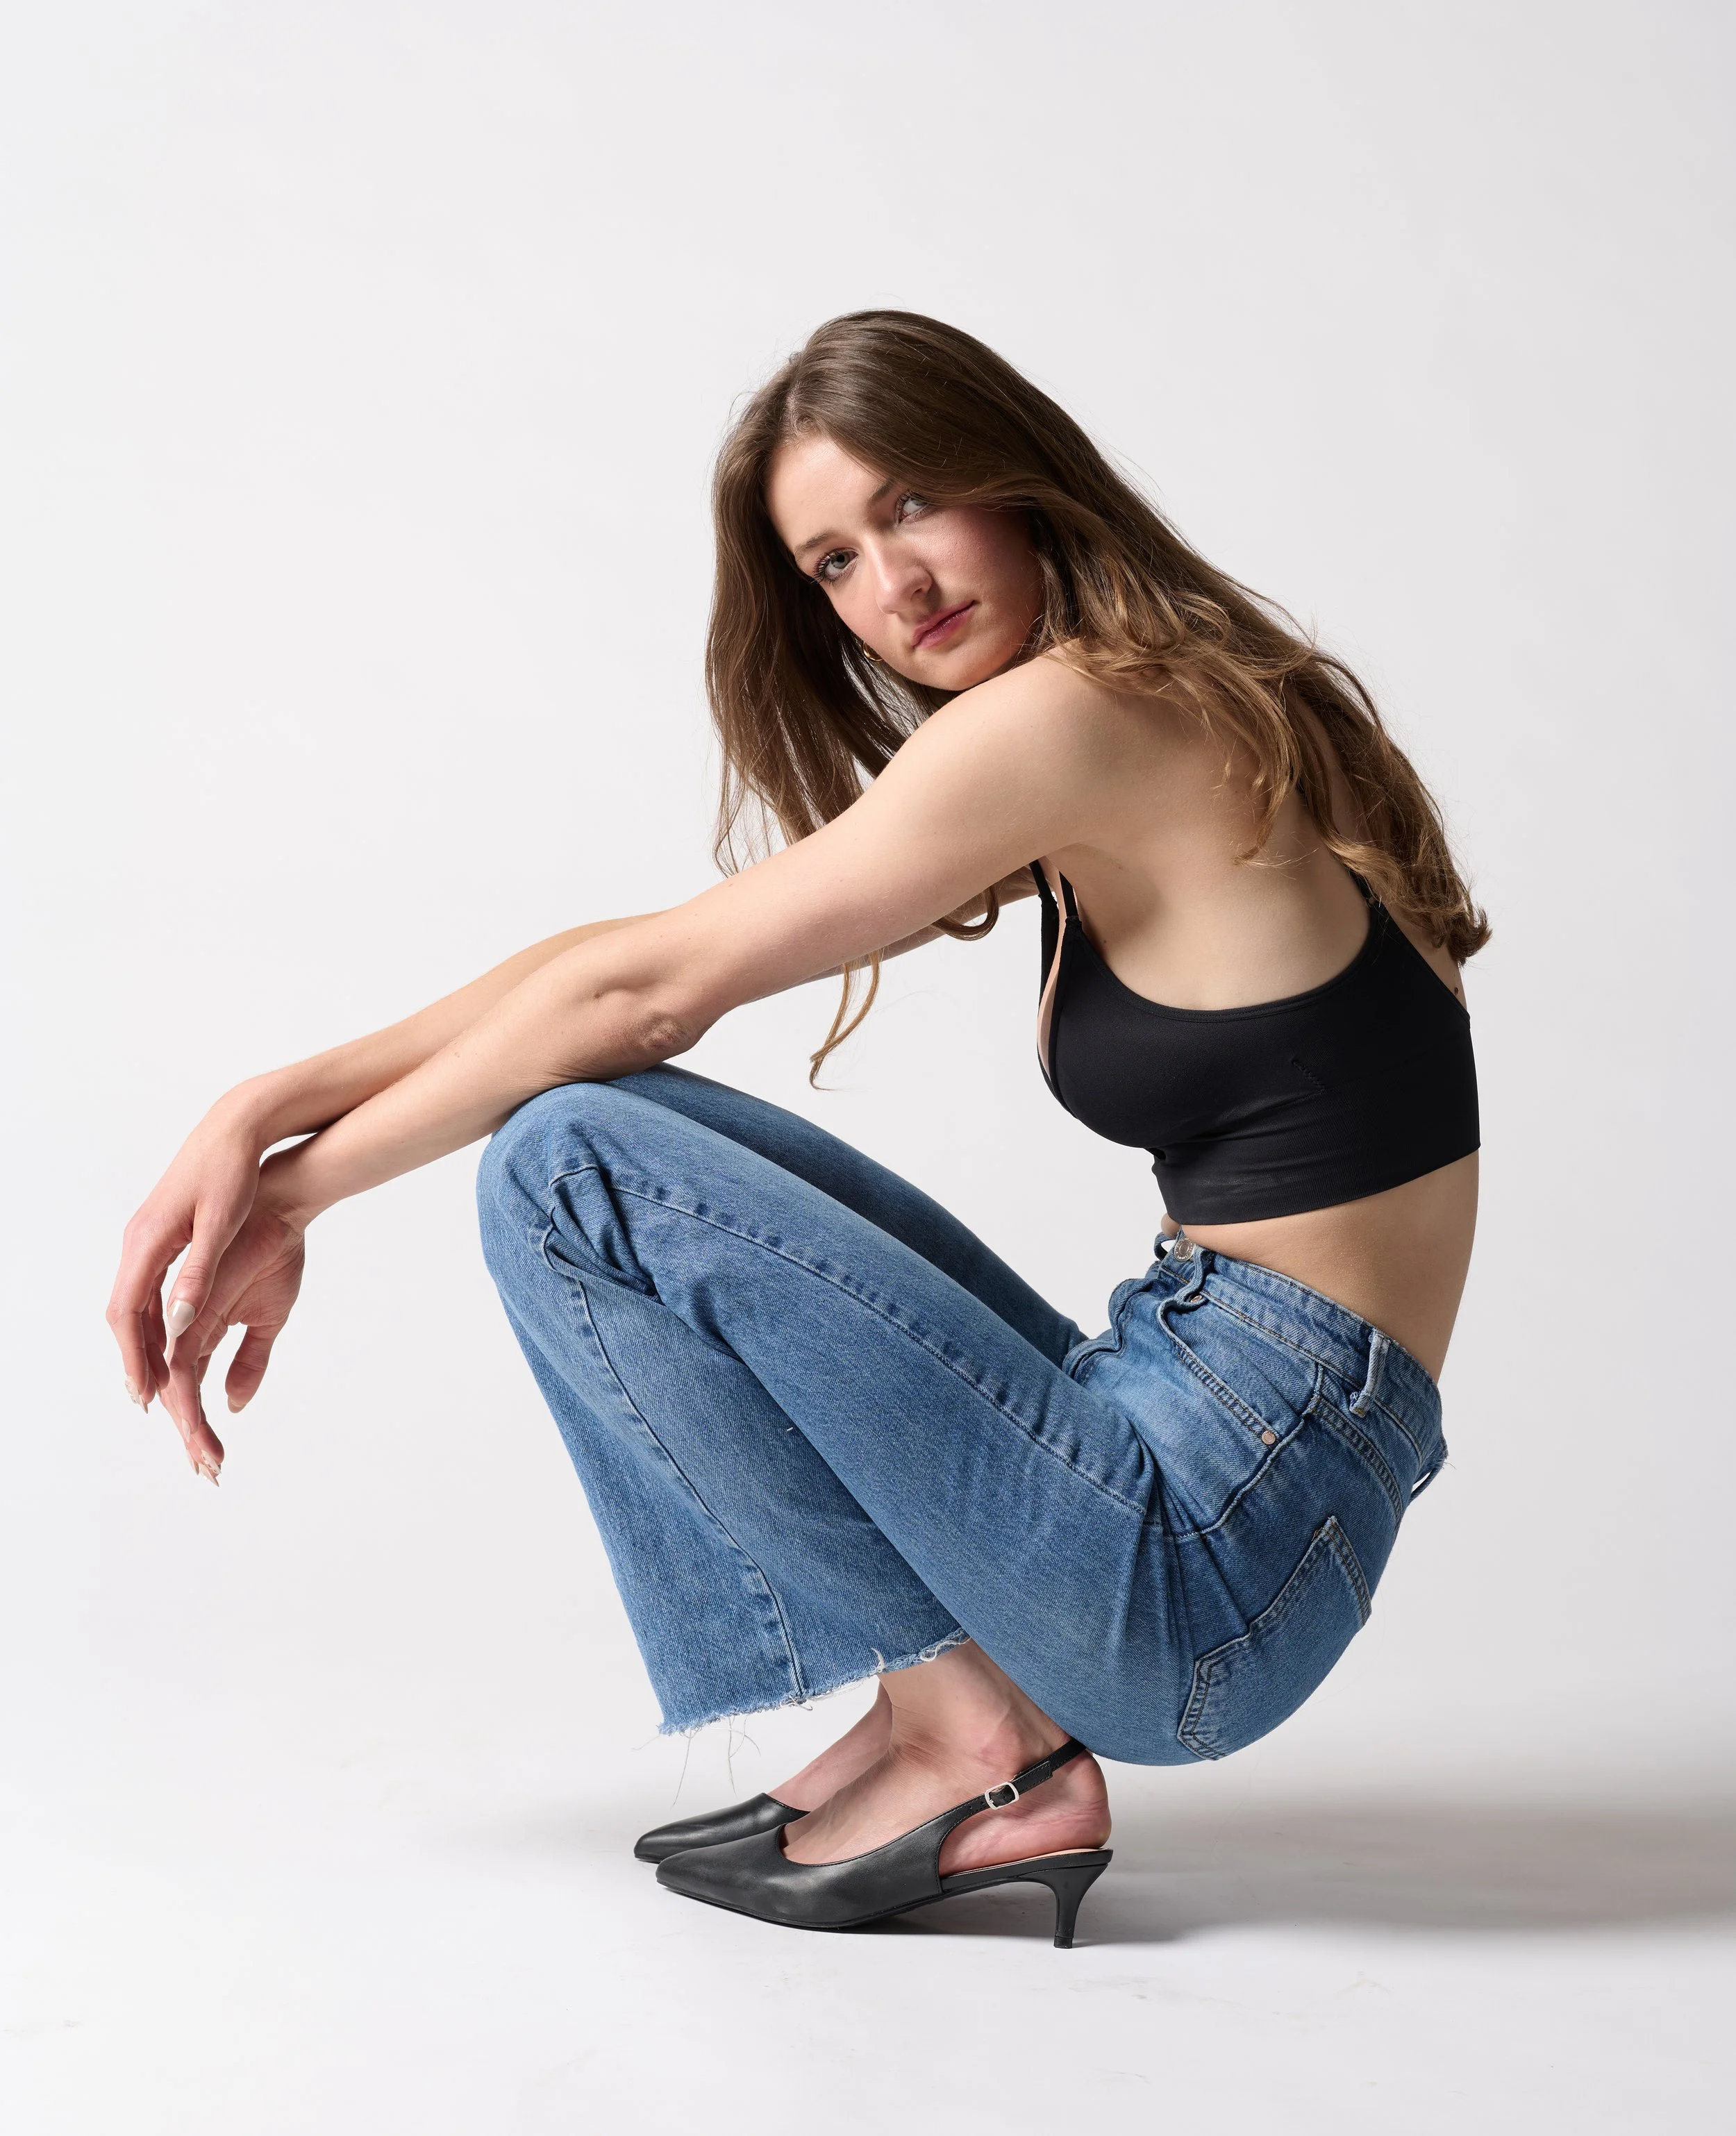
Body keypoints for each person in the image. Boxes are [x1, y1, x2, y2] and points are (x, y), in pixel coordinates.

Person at [107, 311, 1484, 1949]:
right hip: (1230, 1451)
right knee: (594, 1122)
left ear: (1019, 478)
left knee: (571, 1163)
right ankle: (945, 1716)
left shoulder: (1082, 719)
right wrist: (268, 1105)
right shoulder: (1153, 706)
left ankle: (977, 1742)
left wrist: (298, 1193)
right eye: (831, 560)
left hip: (1216, 1555)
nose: (889, 587)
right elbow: (621, 963)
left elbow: (645, 989)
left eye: (911, 505)